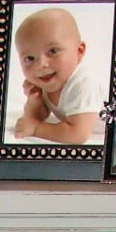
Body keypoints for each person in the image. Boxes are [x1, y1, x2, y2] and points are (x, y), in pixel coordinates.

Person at [11, 8, 104, 144]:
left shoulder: (82, 83)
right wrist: (34, 101)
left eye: (53, 51)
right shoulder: (47, 79)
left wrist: (36, 129)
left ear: (79, 51)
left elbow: (78, 134)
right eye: (30, 58)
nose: (41, 64)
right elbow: (36, 117)